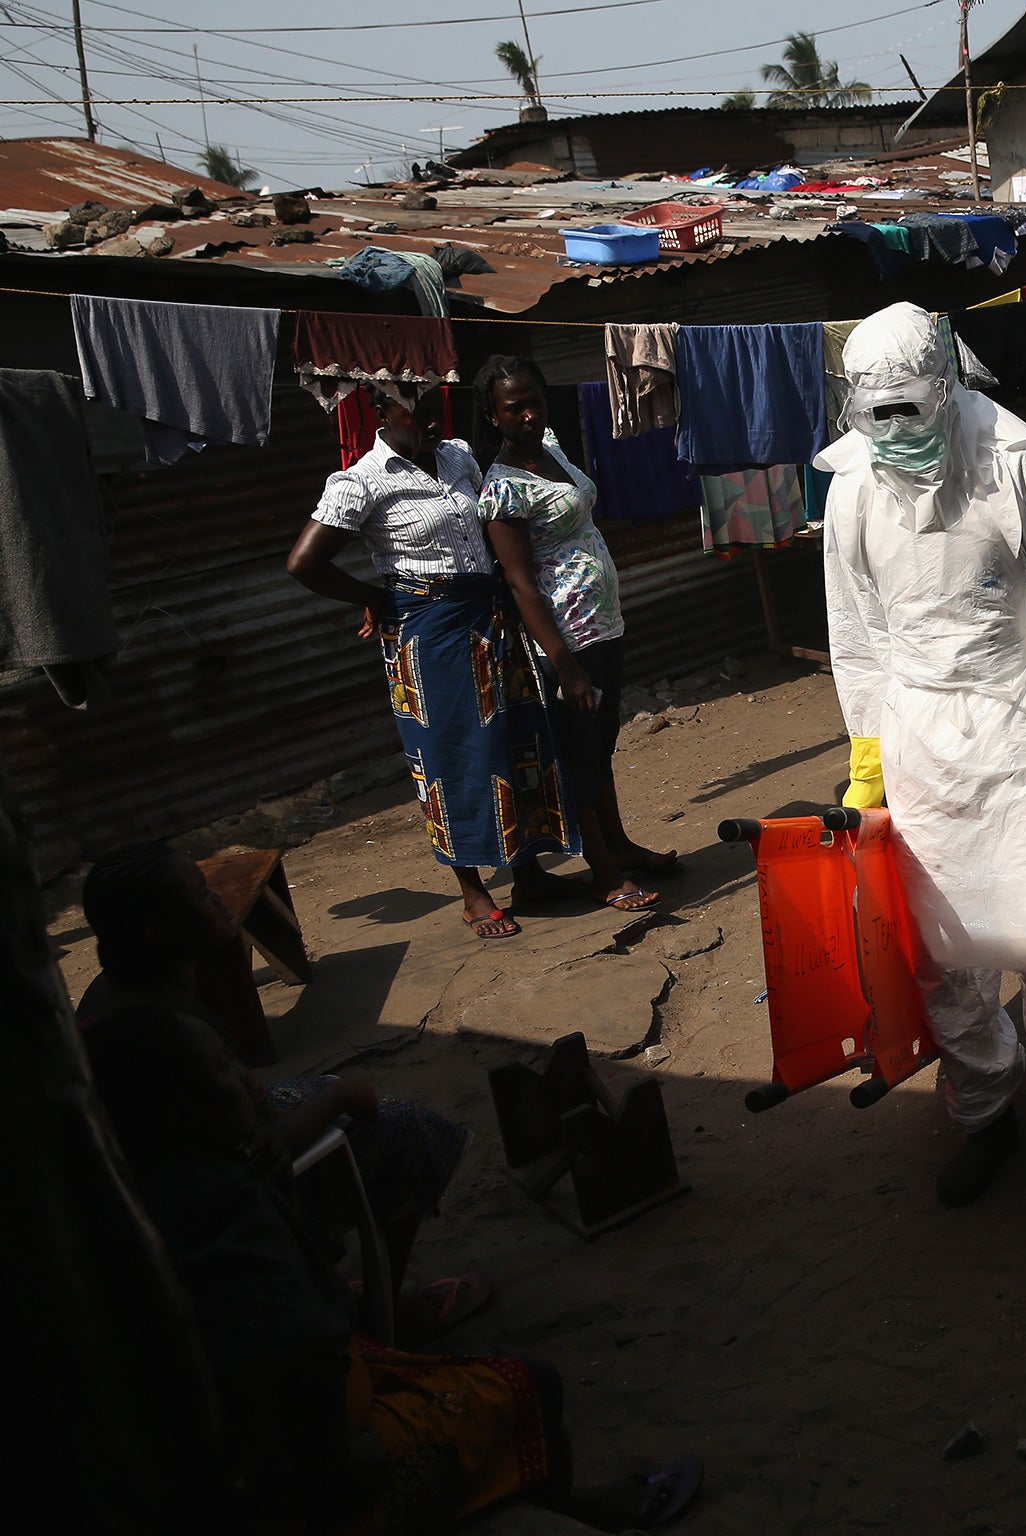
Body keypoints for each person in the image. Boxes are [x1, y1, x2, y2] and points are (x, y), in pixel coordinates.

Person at [83, 1001, 702, 1533]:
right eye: (224, 1068)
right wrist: (343, 1455)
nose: (249, 1078)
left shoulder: (144, 1187)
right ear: (176, 1110)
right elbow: (291, 1353)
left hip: (256, 1432)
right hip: (315, 1469)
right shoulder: (225, 1213)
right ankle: (566, 1508)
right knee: (530, 1384)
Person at [820, 303, 1026, 1206]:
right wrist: (869, 754)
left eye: (907, 411)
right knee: (943, 952)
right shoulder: (850, 491)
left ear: (948, 389)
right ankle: (986, 1109)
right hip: (919, 738)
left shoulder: (1023, 466)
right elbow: (859, 633)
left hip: (1021, 722)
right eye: (873, 416)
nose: (892, 432)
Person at [75, 841, 479, 1331]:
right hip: (214, 1202)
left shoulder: (112, 993)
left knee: (327, 1092)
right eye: (202, 896)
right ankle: (386, 1310)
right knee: (405, 1131)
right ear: (158, 931)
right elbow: (261, 1145)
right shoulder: (173, 1033)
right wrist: (344, 1096)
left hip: (173, 1172)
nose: (220, 902)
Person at [285, 387, 580, 940]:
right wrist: (369, 599)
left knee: (513, 742)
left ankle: (530, 873)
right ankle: (472, 892)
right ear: (380, 414)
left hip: (490, 620)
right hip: (428, 633)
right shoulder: (362, 480)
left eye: (431, 410)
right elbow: (304, 563)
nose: (427, 422)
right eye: (412, 413)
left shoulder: (458, 455)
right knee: (449, 754)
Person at [474, 355, 672, 913]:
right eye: (515, 409)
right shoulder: (503, 489)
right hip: (568, 639)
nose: (530, 414)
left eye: (535, 401)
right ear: (493, 417)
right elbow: (519, 584)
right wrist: (563, 663)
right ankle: (604, 873)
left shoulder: (554, 450)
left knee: (601, 744)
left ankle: (621, 845)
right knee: (579, 755)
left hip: (604, 624)